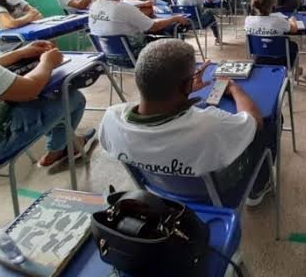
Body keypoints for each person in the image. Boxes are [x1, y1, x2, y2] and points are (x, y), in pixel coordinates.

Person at [98, 39, 274, 206]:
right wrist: (235, 89)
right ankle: (257, 189)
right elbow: (254, 120)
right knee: (267, 125)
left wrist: (185, 89)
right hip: (219, 194)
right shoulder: (210, 126)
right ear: (184, 85)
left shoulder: (111, 118)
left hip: (159, 191)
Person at [0, 40, 95, 167]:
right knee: (72, 98)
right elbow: (28, 90)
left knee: (41, 101)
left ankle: (69, 142)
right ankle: (58, 149)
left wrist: (20, 53)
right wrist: (47, 62)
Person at [89, 0, 189, 56]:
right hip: (135, 53)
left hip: (109, 55)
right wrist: (175, 18)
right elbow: (154, 27)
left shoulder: (94, 6)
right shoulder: (123, 8)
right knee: (173, 39)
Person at [245, 0, 303, 76]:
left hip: (259, 58)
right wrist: (293, 20)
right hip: (280, 59)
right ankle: (293, 69)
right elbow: (294, 29)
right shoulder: (278, 21)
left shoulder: (248, 20)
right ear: (273, 3)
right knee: (293, 45)